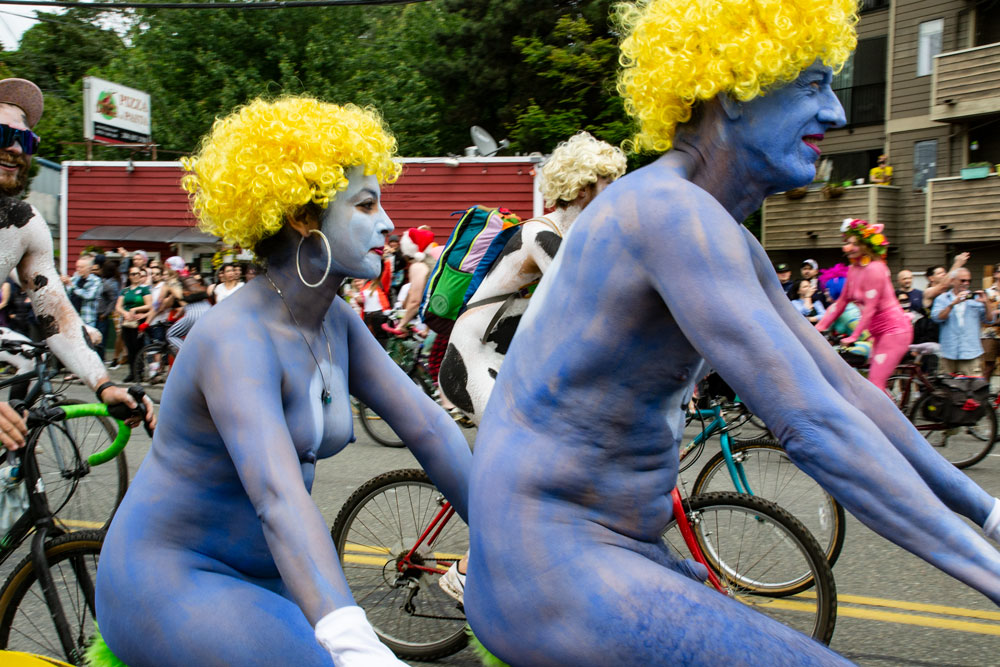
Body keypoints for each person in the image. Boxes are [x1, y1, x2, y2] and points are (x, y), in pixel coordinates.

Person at [464, 2, 1000, 664]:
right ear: (733, 92)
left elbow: (848, 394)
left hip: (594, 552)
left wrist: (987, 510)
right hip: (550, 564)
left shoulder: (720, 232)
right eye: (812, 84)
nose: (836, 112)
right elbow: (815, 426)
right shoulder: (668, 212)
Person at [96, 96, 471, 667]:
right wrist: (353, 641)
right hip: (171, 576)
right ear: (303, 218)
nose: (387, 222)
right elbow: (276, 496)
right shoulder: (234, 338)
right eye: (365, 204)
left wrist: (509, 541)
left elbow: (429, 427)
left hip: (272, 577)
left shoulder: (337, 320)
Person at [0, 77, 152, 451]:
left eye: (26, 141)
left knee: (29, 360)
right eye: (3, 134)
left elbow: (56, 317)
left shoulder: (23, 223)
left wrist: (104, 384)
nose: (15, 148)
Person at [439, 131, 627, 426]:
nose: (617, 193)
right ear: (582, 189)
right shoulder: (540, 235)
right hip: (471, 360)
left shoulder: (573, 238)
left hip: (510, 362)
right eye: (609, 183)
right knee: (518, 442)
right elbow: (586, 299)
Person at [815, 218, 912, 392]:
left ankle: (887, 411)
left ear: (866, 246)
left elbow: (870, 307)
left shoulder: (876, 268)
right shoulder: (853, 270)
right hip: (877, 333)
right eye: (847, 243)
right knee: (868, 384)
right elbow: (841, 302)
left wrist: (854, 336)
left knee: (875, 384)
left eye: (854, 244)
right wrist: (819, 327)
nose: (848, 248)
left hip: (894, 331)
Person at [930, 268, 997, 376]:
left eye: (969, 281)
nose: (966, 283)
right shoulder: (942, 299)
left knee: (972, 386)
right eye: (962, 280)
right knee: (945, 385)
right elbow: (937, 318)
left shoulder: (975, 299)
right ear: (952, 281)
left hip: (970, 352)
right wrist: (952, 304)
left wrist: (986, 303)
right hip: (949, 352)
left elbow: (990, 320)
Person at [115, 266, 151, 383]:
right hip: (127, 321)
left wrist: (135, 309)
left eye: (137, 274)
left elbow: (149, 305)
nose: (135, 276)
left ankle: (139, 372)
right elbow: (118, 306)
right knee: (129, 347)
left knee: (138, 347)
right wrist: (125, 313)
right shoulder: (125, 290)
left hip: (138, 320)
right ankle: (131, 372)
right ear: (129, 276)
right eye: (133, 274)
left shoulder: (144, 289)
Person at [61, 255, 102, 328]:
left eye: (81, 267)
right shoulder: (75, 279)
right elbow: (66, 294)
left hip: (87, 319)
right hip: (73, 318)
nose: (78, 269)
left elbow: (88, 296)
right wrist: (62, 283)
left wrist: (71, 285)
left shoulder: (96, 281)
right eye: (77, 267)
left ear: (89, 268)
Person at [96, 260, 121, 361]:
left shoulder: (110, 284)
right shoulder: (106, 281)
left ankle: (101, 359)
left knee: (101, 339)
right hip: (99, 313)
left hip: (102, 315)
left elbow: (113, 300)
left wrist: (105, 314)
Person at [982, 265, 1000, 380]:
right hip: (990, 333)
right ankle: (982, 389)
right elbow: (984, 313)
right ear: (995, 274)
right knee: (988, 365)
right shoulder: (987, 293)